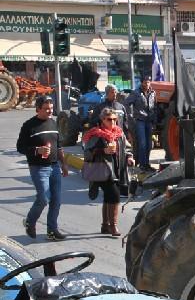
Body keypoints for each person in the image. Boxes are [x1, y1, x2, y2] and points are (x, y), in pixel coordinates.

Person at [16, 95, 69, 241]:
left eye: (51, 108)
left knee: (56, 200)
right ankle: (29, 221)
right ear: (37, 109)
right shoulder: (29, 126)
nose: (49, 111)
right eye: (46, 109)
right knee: (44, 198)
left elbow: (58, 146)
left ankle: (52, 231)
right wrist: (37, 150)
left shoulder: (53, 123)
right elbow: (20, 147)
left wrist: (63, 164)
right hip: (38, 168)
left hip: (54, 167)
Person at [82, 108, 135, 236]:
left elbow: (126, 149)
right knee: (115, 196)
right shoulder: (96, 134)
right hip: (103, 170)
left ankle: (105, 226)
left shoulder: (119, 133)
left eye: (114, 119)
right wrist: (103, 151)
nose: (112, 122)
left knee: (108, 197)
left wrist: (129, 157)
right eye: (109, 119)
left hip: (118, 170)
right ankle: (113, 226)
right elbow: (88, 152)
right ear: (102, 120)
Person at [125, 76, 156, 172]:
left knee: (149, 144)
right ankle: (142, 164)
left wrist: (154, 119)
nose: (147, 84)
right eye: (145, 82)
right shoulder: (136, 93)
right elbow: (127, 103)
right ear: (142, 83)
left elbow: (155, 107)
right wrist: (130, 116)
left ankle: (147, 164)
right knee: (142, 143)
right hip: (140, 121)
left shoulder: (153, 93)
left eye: (148, 82)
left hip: (149, 121)